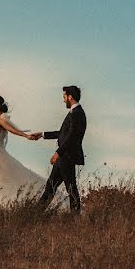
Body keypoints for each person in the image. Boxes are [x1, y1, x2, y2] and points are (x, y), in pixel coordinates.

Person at [29, 85, 87, 214]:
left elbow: (72, 136)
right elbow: (62, 133)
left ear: (70, 97)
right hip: (64, 157)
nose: (63, 100)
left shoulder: (77, 113)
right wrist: (42, 134)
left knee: (70, 188)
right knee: (51, 187)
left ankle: (76, 218)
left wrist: (58, 153)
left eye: (64, 97)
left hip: (67, 156)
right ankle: (35, 214)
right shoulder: (74, 112)